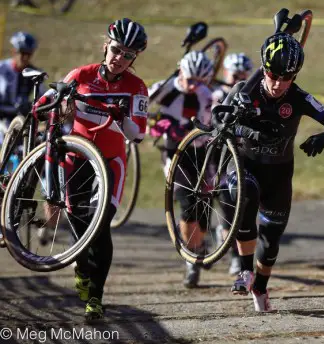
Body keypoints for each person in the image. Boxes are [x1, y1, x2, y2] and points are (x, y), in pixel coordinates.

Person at [33, 18, 148, 322]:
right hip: (78, 158)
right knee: (79, 224)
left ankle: (96, 298)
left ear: (134, 59)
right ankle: (82, 266)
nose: (119, 59)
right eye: (116, 50)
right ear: (105, 46)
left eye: (128, 55)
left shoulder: (137, 87)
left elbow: (138, 135)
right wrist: (54, 101)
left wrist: (122, 117)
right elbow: (43, 107)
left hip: (111, 163)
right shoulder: (81, 74)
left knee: (101, 226)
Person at [222, 33, 324, 312]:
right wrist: (247, 130)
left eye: (285, 78)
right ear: (264, 69)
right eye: (272, 75)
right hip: (244, 165)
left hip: (279, 175)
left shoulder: (299, 97)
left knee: (271, 241)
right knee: (247, 195)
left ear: (295, 75)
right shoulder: (245, 89)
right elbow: (219, 123)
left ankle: (261, 288)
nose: (277, 84)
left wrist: (322, 138)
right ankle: (243, 271)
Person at [148, 50, 214, 288]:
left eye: (199, 81)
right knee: (187, 204)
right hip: (176, 154)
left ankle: (200, 243)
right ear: (181, 70)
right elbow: (140, 112)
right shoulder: (164, 87)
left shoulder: (206, 94)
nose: (192, 85)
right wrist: (158, 124)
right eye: (189, 78)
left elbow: (209, 125)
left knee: (205, 206)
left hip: (202, 152)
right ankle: (191, 259)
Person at [212, 52, 254, 276]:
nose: (237, 76)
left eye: (242, 73)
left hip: (239, 154)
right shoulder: (215, 92)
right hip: (215, 153)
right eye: (234, 73)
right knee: (224, 204)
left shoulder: (250, 93)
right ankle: (224, 239)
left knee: (236, 205)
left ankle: (238, 258)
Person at [0, 31, 40, 142]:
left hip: (20, 118)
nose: (25, 58)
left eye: (29, 54)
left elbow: (43, 95)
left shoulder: (34, 73)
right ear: (14, 51)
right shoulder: (1, 68)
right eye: (22, 53)